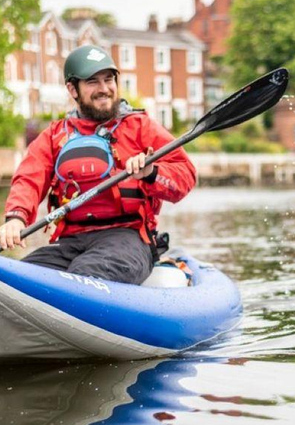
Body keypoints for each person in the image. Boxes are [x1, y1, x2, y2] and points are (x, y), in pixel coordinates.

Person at [0, 44, 196, 285]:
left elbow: (185, 175)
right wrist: (16, 219)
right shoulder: (54, 135)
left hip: (128, 237)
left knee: (86, 272)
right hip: (70, 241)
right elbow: (29, 179)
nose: (104, 89)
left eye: (109, 79)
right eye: (93, 82)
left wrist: (150, 172)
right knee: (18, 277)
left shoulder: (141, 127)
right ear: (72, 89)